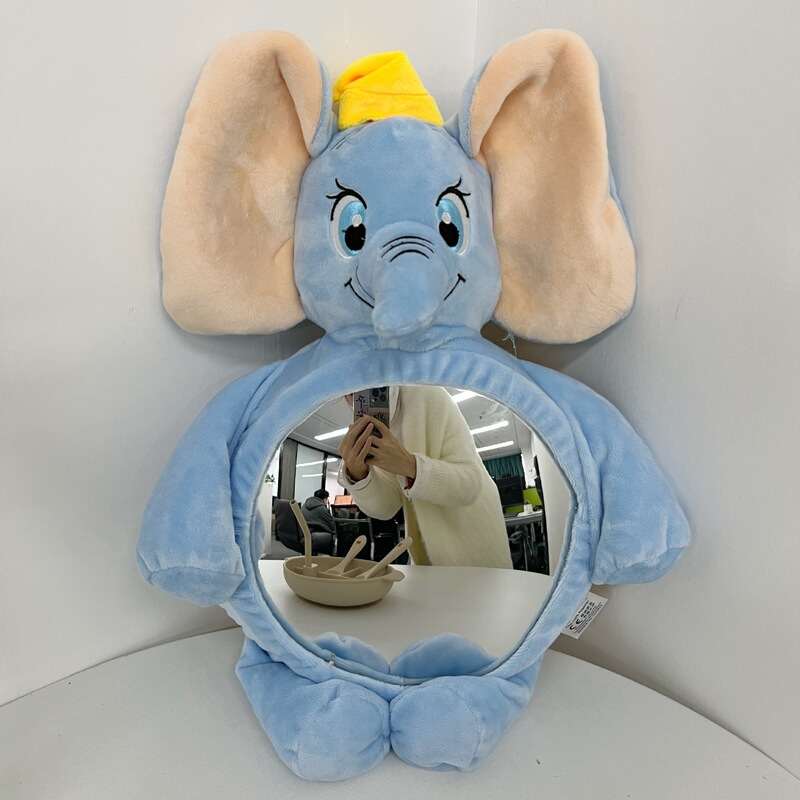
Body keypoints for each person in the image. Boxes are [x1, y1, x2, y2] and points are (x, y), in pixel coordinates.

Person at [338, 386, 512, 568]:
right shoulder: (377, 430)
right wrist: (359, 475)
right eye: (350, 393)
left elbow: (470, 483)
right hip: (427, 551)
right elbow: (386, 509)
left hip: (475, 538)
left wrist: (410, 466)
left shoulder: (429, 394)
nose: (360, 395)